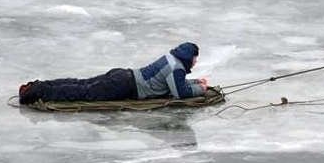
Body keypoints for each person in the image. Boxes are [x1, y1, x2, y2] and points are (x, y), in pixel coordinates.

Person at [18, 42, 208, 104]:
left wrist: (196, 82)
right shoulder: (177, 68)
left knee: (81, 84)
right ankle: (37, 92)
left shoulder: (171, 59)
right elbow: (179, 93)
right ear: (189, 57)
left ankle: (38, 85)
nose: (196, 61)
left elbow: (175, 83)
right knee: (82, 92)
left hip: (124, 76)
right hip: (126, 86)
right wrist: (202, 90)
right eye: (195, 58)